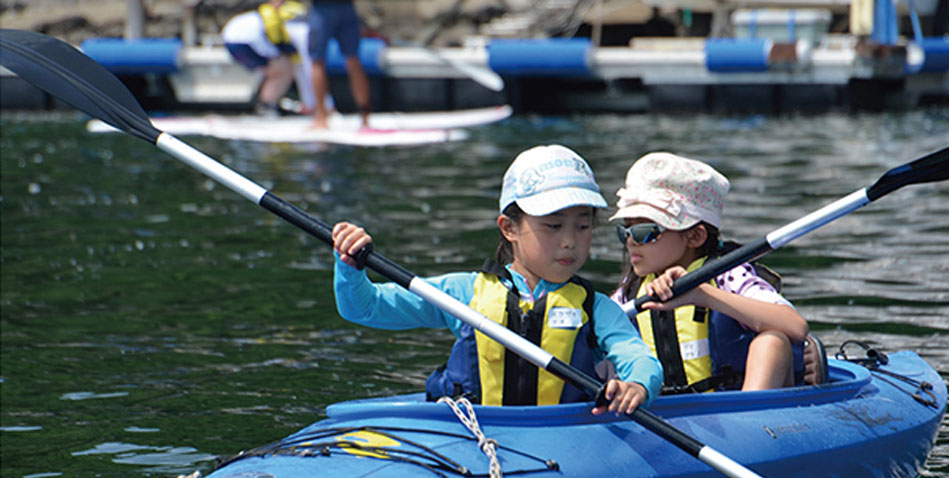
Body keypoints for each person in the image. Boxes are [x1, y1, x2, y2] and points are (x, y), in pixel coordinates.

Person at [332, 145, 663, 415]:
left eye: (582, 226)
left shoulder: (596, 307)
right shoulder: (463, 293)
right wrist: (350, 267)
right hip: (474, 433)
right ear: (509, 228)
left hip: (564, 436)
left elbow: (639, 358)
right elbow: (365, 309)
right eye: (553, 225)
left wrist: (637, 385)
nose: (570, 241)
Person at [609, 152, 810, 393]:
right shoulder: (629, 293)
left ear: (695, 236)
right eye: (626, 232)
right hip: (666, 414)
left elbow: (796, 326)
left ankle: (747, 420)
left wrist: (702, 295)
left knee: (772, 341)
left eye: (645, 231)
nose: (631, 241)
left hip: (741, 409)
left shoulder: (730, 276)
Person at [221, 0, 316, 115]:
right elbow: (267, 41)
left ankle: (267, 101)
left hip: (231, 39)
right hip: (242, 42)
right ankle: (268, 105)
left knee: (275, 68)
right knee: (283, 69)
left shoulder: (263, 15)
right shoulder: (272, 18)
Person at [308, 0, 371, 128]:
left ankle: (321, 117)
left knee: (317, 62)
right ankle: (365, 118)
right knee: (353, 61)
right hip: (346, 7)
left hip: (323, 9)